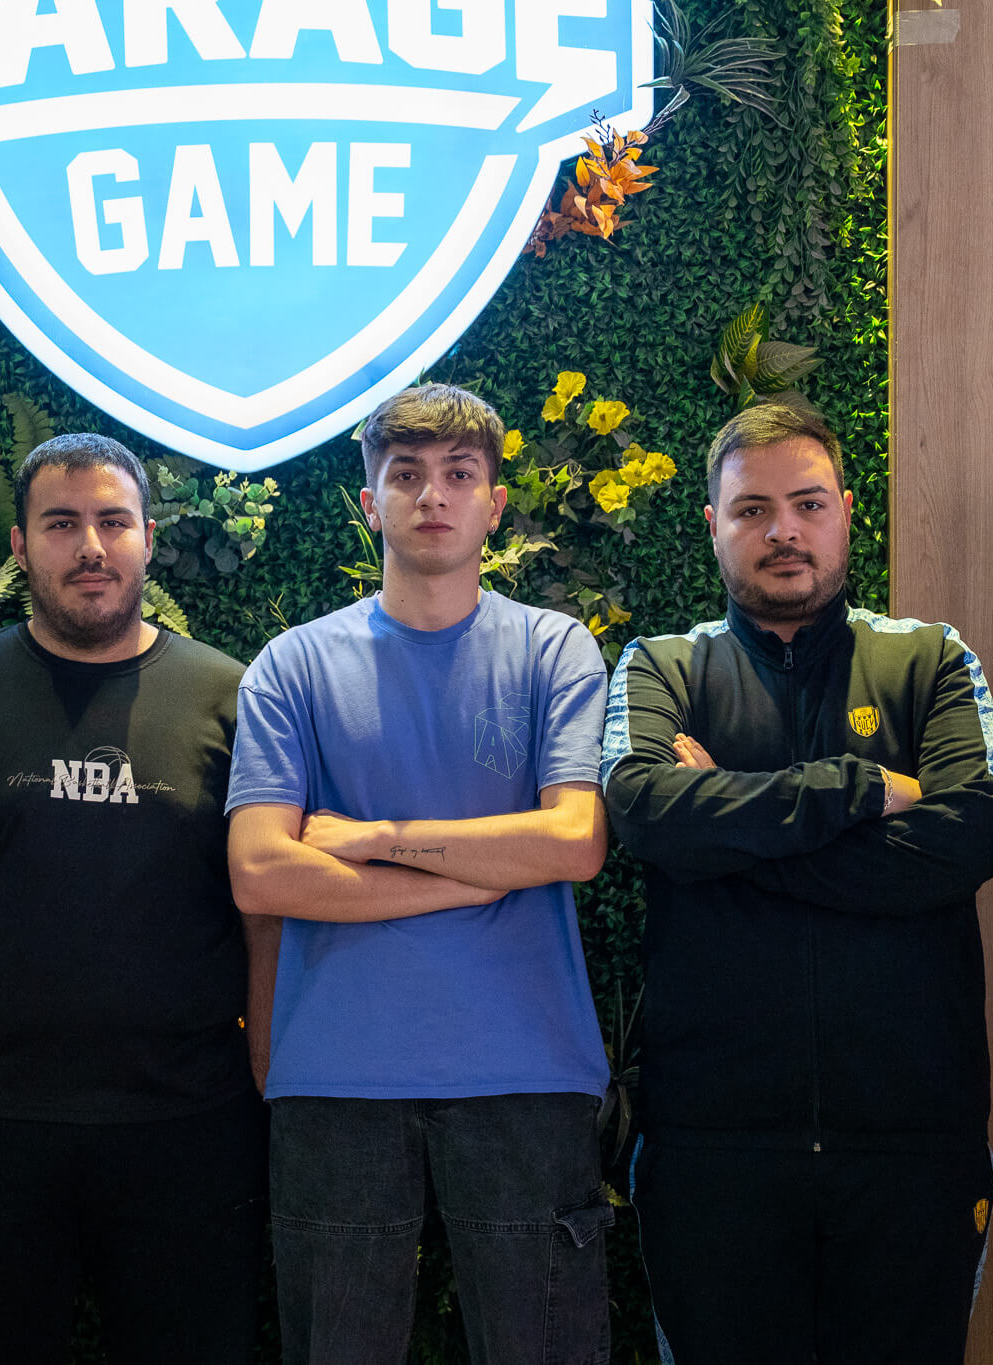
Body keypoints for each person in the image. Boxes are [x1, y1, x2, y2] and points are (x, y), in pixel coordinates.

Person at [600, 401, 993, 1363]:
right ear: (713, 524)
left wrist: (731, 841)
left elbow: (972, 834)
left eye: (807, 503)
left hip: (914, 1145)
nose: (783, 529)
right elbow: (645, 810)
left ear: (846, 512)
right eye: (753, 510)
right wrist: (861, 790)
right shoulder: (664, 666)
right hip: (711, 1151)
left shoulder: (931, 659)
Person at [0, 433, 271, 1364]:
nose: (90, 545)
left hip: (189, 1135)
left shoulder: (233, 700)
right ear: (18, 545)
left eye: (113, 521)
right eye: (61, 523)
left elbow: (267, 929)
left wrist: (262, 1104)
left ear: (149, 538)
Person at [225, 383, 616, 1365]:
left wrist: (374, 836)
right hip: (335, 1074)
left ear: (494, 503)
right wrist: (482, 871)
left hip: (528, 1067)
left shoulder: (553, 649)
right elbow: (261, 872)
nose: (431, 495)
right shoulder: (291, 665)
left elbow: (574, 842)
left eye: (458, 474)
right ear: (370, 504)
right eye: (405, 475)